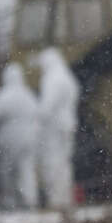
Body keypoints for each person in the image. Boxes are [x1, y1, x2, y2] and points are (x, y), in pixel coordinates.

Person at [0, 62, 41, 210]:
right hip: (28, 138)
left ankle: (11, 202)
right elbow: (37, 114)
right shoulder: (27, 94)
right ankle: (30, 200)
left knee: (8, 171)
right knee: (26, 170)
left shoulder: (3, 96)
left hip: (8, 140)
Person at [36, 47, 80, 209]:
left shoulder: (52, 78)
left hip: (55, 127)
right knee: (65, 163)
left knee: (53, 162)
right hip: (69, 124)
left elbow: (47, 106)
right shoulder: (67, 76)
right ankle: (65, 198)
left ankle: (57, 200)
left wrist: (38, 118)